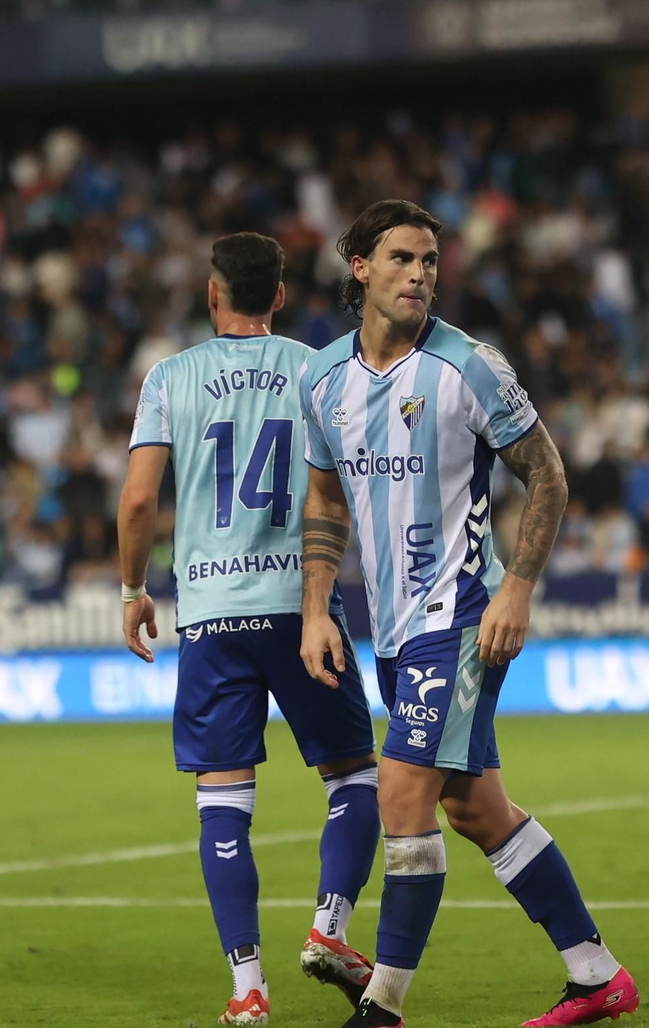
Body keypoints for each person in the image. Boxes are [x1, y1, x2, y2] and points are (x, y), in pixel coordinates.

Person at [295, 201, 640, 1028]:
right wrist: (316, 608)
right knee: (476, 808)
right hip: (393, 628)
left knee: (402, 796)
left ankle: (382, 1008)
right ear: (360, 268)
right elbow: (324, 497)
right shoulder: (324, 381)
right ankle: (596, 974)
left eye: (430, 260)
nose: (421, 273)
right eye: (403, 258)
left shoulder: (469, 366)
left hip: (463, 615)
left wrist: (518, 587)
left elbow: (548, 473)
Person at [117, 232, 380, 1027]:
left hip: (209, 614)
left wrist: (133, 586)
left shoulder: (169, 377)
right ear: (280, 295)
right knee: (354, 777)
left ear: (212, 293)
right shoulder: (318, 368)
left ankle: (248, 991)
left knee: (223, 800)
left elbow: (136, 502)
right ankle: (329, 927)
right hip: (302, 604)